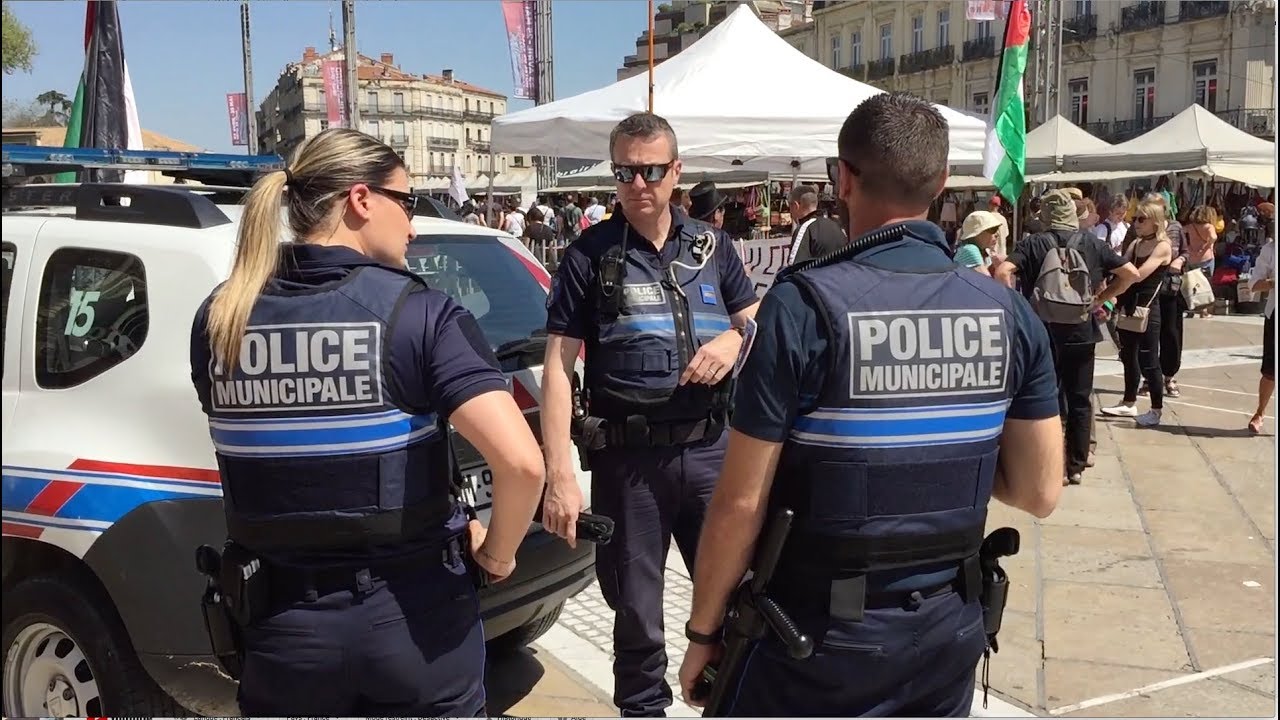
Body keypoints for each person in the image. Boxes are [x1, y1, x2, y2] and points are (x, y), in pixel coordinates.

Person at [677, 92, 1064, 717]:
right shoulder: (1007, 310)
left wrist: (703, 631)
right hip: (945, 633)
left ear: (842, 177)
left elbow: (742, 501)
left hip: (816, 642)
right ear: (940, 182)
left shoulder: (803, 306)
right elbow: (1039, 491)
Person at [188, 128, 545, 715]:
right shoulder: (419, 313)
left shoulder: (219, 317)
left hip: (280, 633)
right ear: (361, 200)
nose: (412, 225)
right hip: (413, 623)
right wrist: (498, 557)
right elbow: (523, 463)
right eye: (406, 203)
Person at [541, 112, 760, 717]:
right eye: (626, 172)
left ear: (676, 173)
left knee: (739, 600)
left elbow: (753, 316)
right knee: (637, 613)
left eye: (652, 171)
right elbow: (558, 366)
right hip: (630, 464)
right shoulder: (589, 256)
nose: (639, 184)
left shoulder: (712, 247)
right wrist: (559, 471)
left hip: (712, 454)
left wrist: (732, 343)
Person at [994, 190, 1139, 484]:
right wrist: (1101, 298)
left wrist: (1017, 305)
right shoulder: (1092, 243)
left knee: (1047, 399)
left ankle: (1053, 466)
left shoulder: (1033, 243)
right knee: (1081, 399)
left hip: (1043, 331)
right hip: (1082, 330)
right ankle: (1076, 466)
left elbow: (1003, 271)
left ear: (1045, 215)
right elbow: (1131, 274)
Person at [1101, 198, 1173, 427]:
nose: (1136, 223)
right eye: (1135, 218)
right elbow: (1123, 270)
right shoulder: (1136, 244)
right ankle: (1128, 401)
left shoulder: (1163, 246)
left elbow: (1138, 274)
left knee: (1149, 359)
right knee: (1128, 355)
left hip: (1148, 308)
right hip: (1129, 304)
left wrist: (1118, 277)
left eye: (1141, 219)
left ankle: (1156, 409)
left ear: (1155, 221)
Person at [1249, 214, 1275, 434]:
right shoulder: (1270, 250)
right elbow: (1254, 285)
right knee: (1270, 371)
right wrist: (1274, 282)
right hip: (1275, 314)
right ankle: (1260, 413)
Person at [786, 183, 847, 266]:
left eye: (790, 207)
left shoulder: (805, 229)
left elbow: (794, 268)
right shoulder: (835, 226)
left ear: (796, 206)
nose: (790, 213)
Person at [1183, 205, 1219, 318]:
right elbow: (1213, 237)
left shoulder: (1190, 226)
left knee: (1191, 285)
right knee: (1204, 285)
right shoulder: (1209, 227)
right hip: (1206, 258)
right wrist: (1206, 246)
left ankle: (1191, 308)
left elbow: (1180, 232)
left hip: (1191, 258)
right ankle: (1204, 311)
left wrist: (1188, 246)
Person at [955, 210, 1005, 276]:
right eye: (993, 229)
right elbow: (988, 283)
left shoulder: (985, 253)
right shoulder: (970, 249)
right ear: (978, 233)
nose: (997, 234)